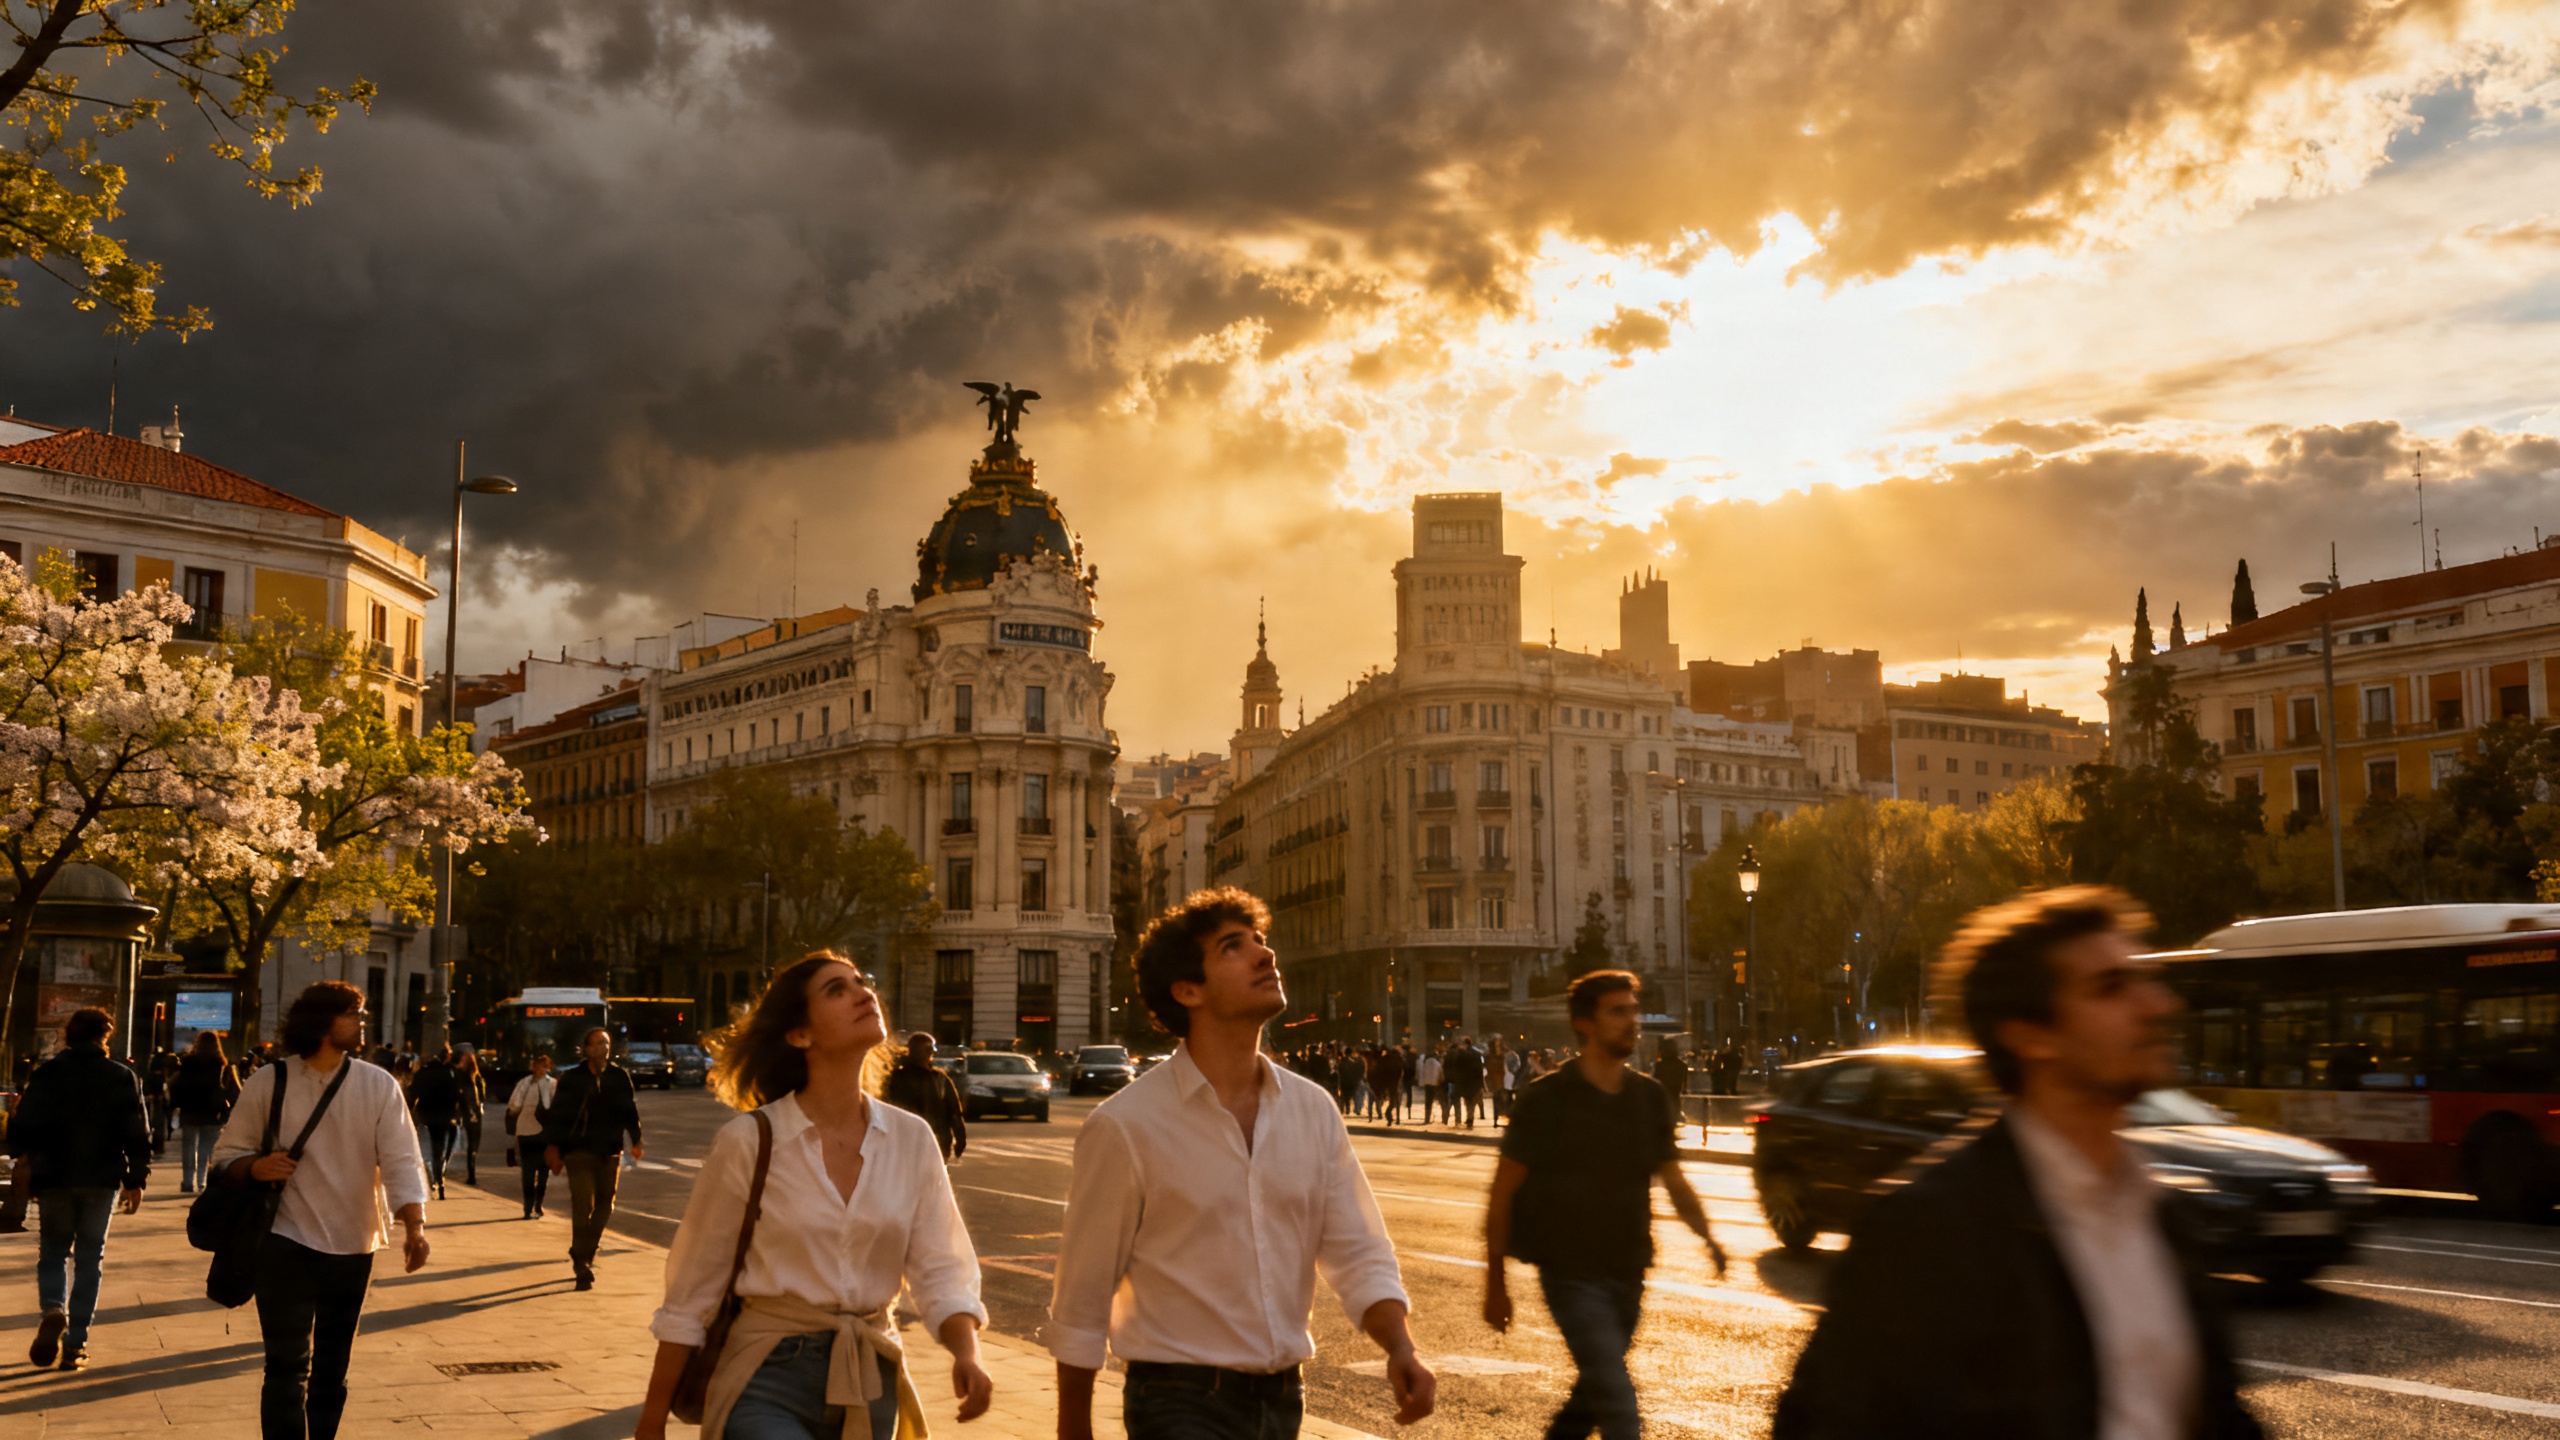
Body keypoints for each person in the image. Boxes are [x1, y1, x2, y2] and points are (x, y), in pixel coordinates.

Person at [1771, 887, 2264, 1440]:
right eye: (2110, 988)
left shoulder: (2164, 1213)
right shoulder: (1927, 1232)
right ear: (2030, 1035)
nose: (2157, 1005)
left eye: (2143, 980)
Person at [1047, 887, 1434, 1440]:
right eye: (1234, 947)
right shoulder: (1126, 1125)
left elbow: (1358, 1248)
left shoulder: (1311, 1109)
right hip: (1178, 1401)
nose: (1265, 954)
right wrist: (1073, 1431)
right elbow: (1081, 1298)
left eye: (1260, 940)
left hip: (1283, 1400)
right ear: (1188, 990)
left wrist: (1401, 1347)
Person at [635, 954, 993, 1440]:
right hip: (765, 1373)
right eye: (836, 990)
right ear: (800, 1035)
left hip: (870, 1376)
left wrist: (967, 1355)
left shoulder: (911, 1139)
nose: (864, 992)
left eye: (861, 981)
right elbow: (692, 1291)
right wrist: (652, 1420)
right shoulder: (751, 1140)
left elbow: (942, 1269)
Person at [1484, 974, 1723, 1440]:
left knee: (1589, 1400)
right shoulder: (1547, 1099)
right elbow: (1502, 1192)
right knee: (1618, 1402)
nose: (1632, 1021)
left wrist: (1708, 1236)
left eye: (1633, 1009)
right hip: (1570, 1276)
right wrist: (1495, 1284)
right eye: (1618, 1011)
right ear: (1584, 1023)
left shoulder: (1648, 1097)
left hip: (1629, 1272)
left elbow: (1672, 1178)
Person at [210, 982, 431, 1440]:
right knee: (286, 1365)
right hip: (281, 1239)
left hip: (353, 1241)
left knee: (331, 1367)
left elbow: (401, 1160)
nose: (363, 1022)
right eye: (355, 1013)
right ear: (323, 1021)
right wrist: (256, 1166)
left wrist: (415, 1226)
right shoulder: (268, 1081)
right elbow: (226, 1155)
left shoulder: (377, 1084)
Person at [0, 1008, 149, 1371]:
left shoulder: (48, 1074)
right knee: (89, 1258)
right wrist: (135, 1179)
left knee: (52, 1251)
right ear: (106, 1036)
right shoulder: (121, 1076)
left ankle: (53, 1306)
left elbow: (23, 1126)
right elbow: (137, 1132)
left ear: (69, 1035)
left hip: (54, 1177)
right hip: (101, 1179)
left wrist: (21, 1155)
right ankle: (75, 1343)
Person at [540, 1025, 645, 1290]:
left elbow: (629, 1110)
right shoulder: (572, 1079)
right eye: (597, 1043)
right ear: (586, 1049)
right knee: (582, 1205)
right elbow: (559, 1114)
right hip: (579, 1152)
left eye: (606, 1043)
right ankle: (582, 1265)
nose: (602, 1048)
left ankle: (584, 1250)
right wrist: (553, 1146)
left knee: (605, 1207)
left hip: (610, 1152)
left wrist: (636, 1139)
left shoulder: (620, 1077)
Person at [171, 1029, 243, 1193]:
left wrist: (176, 1105)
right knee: (206, 1148)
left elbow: (178, 1085)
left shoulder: (188, 1062)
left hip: (190, 1110)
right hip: (213, 1111)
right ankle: (202, 1182)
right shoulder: (221, 1063)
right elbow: (233, 1090)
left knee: (188, 1147)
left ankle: (188, 1182)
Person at [882, 1031, 970, 1162]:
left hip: (936, 1141)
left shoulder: (939, 1078)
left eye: (930, 1050)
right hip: (908, 1142)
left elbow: (955, 1112)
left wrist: (960, 1139)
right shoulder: (897, 1077)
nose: (930, 1053)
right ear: (912, 1051)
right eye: (926, 1050)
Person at [505, 1053, 559, 1219]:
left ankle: (531, 1206)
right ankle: (534, 1206)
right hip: (541, 1132)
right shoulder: (551, 1084)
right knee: (540, 1171)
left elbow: (514, 1105)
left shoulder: (525, 1083)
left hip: (528, 1131)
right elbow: (556, 1107)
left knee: (531, 1171)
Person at [408, 1045, 463, 1200]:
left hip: (426, 1115)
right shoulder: (451, 1074)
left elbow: (413, 1092)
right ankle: (440, 1177)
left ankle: (434, 1176)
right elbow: (457, 1095)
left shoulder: (424, 1072)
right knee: (441, 1148)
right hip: (445, 1115)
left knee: (430, 1149)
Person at [454, 1048, 487, 1186]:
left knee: (465, 1143)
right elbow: (483, 1096)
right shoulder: (478, 1078)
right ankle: (471, 1173)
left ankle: (470, 1174)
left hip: (464, 1112)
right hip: (476, 1114)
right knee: (473, 1145)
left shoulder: (459, 1077)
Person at [1445, 1037, 1485, 1129]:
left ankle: (1464, 1119)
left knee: (1463, 1101)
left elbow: (1457, 1069)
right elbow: (1480, 1070)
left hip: (1463, 1082)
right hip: (1473, 1082)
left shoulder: (1459, 1055)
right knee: (1471, 1102)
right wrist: (1480, 1083)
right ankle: (1470, 1119)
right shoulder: (1477, 1054)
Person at [1414, 1046, 1443, 1125]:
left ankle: (1427, 1118)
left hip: (1427, 1084)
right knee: (1437, 1101)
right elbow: (1441, 1075)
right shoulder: (1437, 1064)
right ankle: (1441, 1118)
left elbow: (1422, 1073)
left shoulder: (1425, 1063)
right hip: (1434, 1084)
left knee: (1428, 1101)